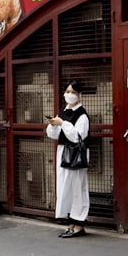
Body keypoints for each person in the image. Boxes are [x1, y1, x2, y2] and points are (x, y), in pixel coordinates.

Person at [46, 80, 90, 238]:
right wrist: (53, 125)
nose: (69, 95)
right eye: (67, 91)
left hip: (76, 154)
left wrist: (63, 123)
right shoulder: (63, 111)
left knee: (78, 187)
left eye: (73, 92)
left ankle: (79, 224)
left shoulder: (82, 115)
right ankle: (70, 223)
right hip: (63, 152)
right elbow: (54, 135)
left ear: (79, 95)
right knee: (65, 187)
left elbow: (77, 136)